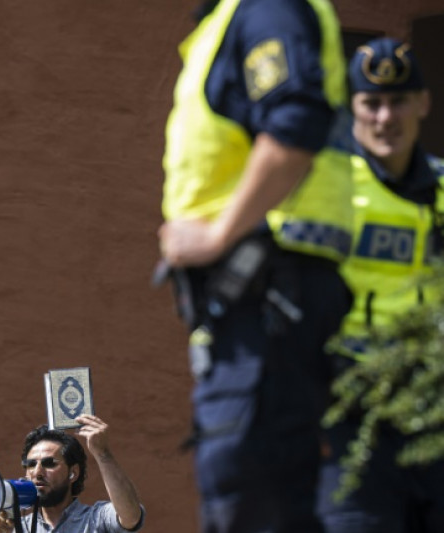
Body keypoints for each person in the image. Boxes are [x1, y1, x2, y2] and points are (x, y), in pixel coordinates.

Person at [157, 0, 354, 530]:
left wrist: (220, 233)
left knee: (255, 501)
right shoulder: (225, 21)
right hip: (254, 309)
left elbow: (295, 124)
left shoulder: (267, 8)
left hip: (269, 302)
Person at [316, 37, 444, 533]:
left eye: (399, 101)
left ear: (424, 104)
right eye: (372, 103)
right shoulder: (326, 190)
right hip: (350, 408)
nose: (385, 118)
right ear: (353, 108)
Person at [0, 415, 145, 533]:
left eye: (49, 464)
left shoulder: (96, 519)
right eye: (31, 465)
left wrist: (103, 453)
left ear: (73, 473)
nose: (38, 472)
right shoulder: (17, 529)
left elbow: (131, 516)